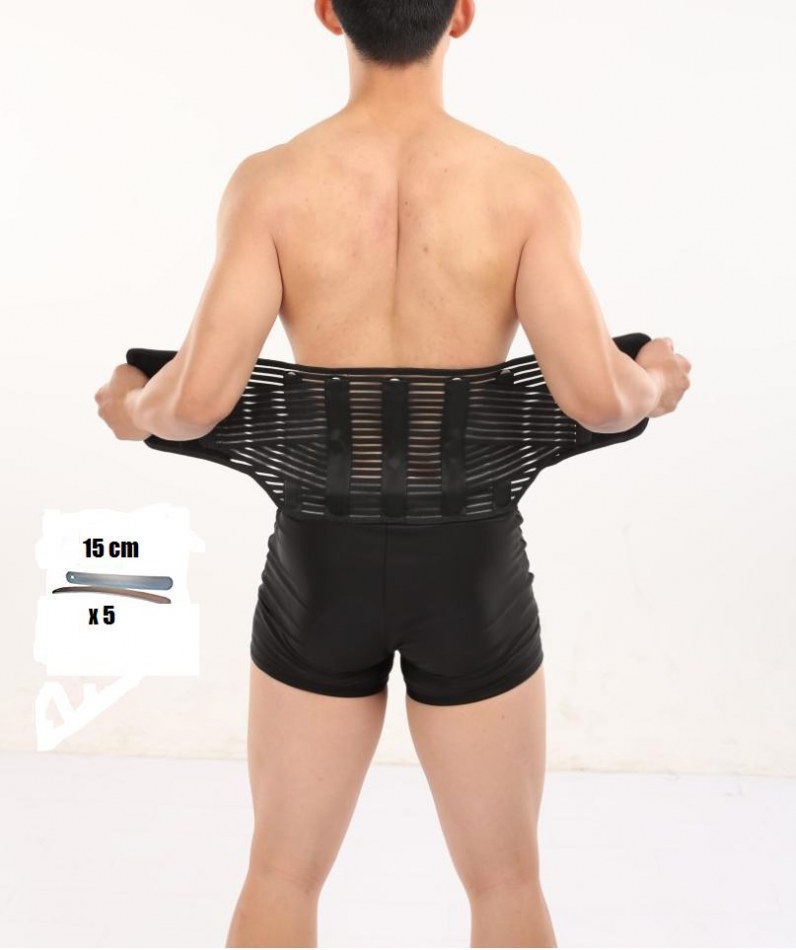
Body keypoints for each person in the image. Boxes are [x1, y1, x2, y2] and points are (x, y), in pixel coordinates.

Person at [94, 1, 692, 946]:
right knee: (505, 884)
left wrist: (133, 406)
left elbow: (197, 400)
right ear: (463, 15)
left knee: (281, 875)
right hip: (471, 570)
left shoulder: (272, 185)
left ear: (329, 12)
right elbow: (595, 397)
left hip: (319, 566)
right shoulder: (523, 188)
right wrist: (653, 381)